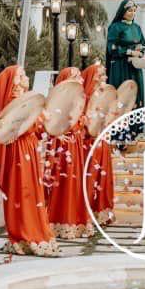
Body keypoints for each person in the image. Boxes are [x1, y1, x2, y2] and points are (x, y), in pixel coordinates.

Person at [0, 65, 58, 256]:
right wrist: (40, 120)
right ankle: (24, 234)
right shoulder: (13, 103)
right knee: (22, 191)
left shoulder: (27, 100)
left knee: (31, 191)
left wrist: (44, 122)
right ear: (14, 82)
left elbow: (35, 129)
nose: (26, 77)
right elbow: (19, 128)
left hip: (28, 149)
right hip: (18, 152)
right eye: (21, 75)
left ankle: (33, 231)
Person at [45, 67, 93, 239]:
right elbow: (52, 121)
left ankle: (75, 220)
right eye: (76, 76)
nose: (81, 79)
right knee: (64, 181)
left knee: (75, 181)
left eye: (80, 75)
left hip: (75, 143)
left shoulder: (79, 99)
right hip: (64, 145)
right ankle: (60, 219)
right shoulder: (60, 100)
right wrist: (57, 133)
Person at [106, 0, 145, 145]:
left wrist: (140, 52)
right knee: (122, 97)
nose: (132, 13)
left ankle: (135, 131)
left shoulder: (137, 27)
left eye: (134, 11)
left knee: (136, 96)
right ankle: (119, 133)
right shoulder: (115, 27)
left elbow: (143, 44)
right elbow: (112, 48)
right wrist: (129, 51)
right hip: (120, 67)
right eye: (130, 10)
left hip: (134, 68)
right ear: (123, 11)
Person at [82, 63, 116, 223]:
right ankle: (87, 212)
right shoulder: (85, 98)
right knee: (90, 177)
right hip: (89, 142)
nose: (105, 77)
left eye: (105, 74)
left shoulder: (106, 96)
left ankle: (101, 211)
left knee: (103, 177)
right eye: (101, 75)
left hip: (102, 140)